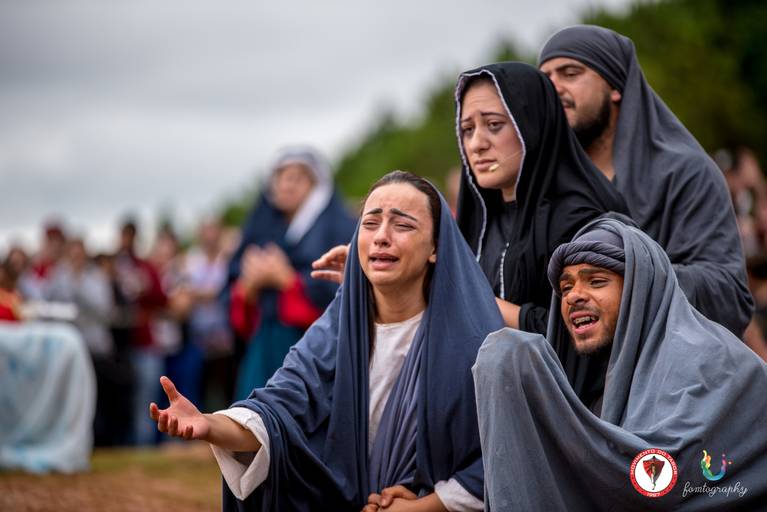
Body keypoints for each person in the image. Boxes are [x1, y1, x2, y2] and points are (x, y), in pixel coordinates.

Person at [150, 171, 504, 511]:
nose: (382, 236)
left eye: (403, 225)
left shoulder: (472, 340)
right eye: (370, 223)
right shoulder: (337, 328)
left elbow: (501, 453)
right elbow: (280, 408)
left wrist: (427, 506)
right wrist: (209, 424)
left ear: (436, 247)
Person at [313, 63, 627, 340]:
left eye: (494, 125)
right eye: (467, 129)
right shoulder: (479, 219)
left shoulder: (584, 219)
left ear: (533, 125)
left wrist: (452, 288)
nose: (476, 144)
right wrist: (385, 274)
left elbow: (580, 331)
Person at [473, 217, 767, 510]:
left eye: (596, 281)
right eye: (565, 287)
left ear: (640, 289)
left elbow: (664, 482)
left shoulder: (710, 362)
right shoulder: (601, 377)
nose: (574, 296)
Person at [539, 24, 753, 337]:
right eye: (545, 80)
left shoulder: (685, 172)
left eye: (570, 73)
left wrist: (628, 276)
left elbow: (728, 294)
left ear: (615, 86)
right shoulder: (544, 186)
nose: (553, 88)